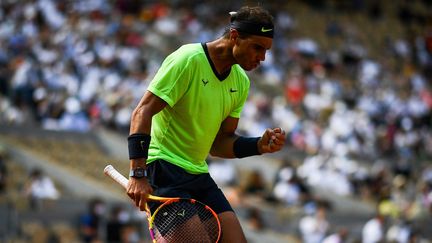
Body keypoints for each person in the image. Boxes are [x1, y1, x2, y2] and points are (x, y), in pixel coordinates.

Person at [126, 5, 286, 242]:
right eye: (257, 48)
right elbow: (142, 111)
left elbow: (219, 144)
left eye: (266, 51)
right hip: (163, 169)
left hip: (198, 174)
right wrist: (138, 174)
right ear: (234, 37)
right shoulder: (188, 59)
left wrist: (258, 146)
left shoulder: (240, 82)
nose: (262, 58)